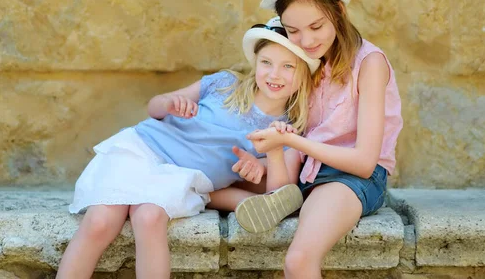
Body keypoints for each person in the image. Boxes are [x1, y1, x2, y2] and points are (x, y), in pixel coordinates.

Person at [56, 18, 319, 279]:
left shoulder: (290, 128)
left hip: (181, 175)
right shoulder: (225, 84)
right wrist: (171, 103)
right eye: (266, 63)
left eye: (288, 66)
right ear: (255, 62)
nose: (274, 74)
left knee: (149, 218)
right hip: (144, 148)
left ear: (305, 73)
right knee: (100, 222)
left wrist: (266, 157)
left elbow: (280, 191)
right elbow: (154, 107)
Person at [235, 0, 403, 279]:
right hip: (309, 168)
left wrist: (291, 140)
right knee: (224, 176)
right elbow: (301, 139)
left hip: (353, 178)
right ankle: (283, 195)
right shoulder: (308, 64)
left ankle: (290, 198)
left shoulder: (369, 64)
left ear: (338, 12)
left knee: (298, 261)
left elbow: (365, 161)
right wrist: (274, 150)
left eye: (316, 27)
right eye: (293, 31)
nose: (307, 41)